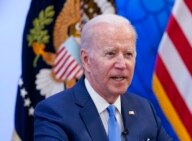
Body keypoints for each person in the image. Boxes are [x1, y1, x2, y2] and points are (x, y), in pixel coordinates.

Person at [34, 14, 172, 141]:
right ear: (86, 60)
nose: (122, 64)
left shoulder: (145, 109)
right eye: (111, 54)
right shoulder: (54, 113)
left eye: (128, 54)